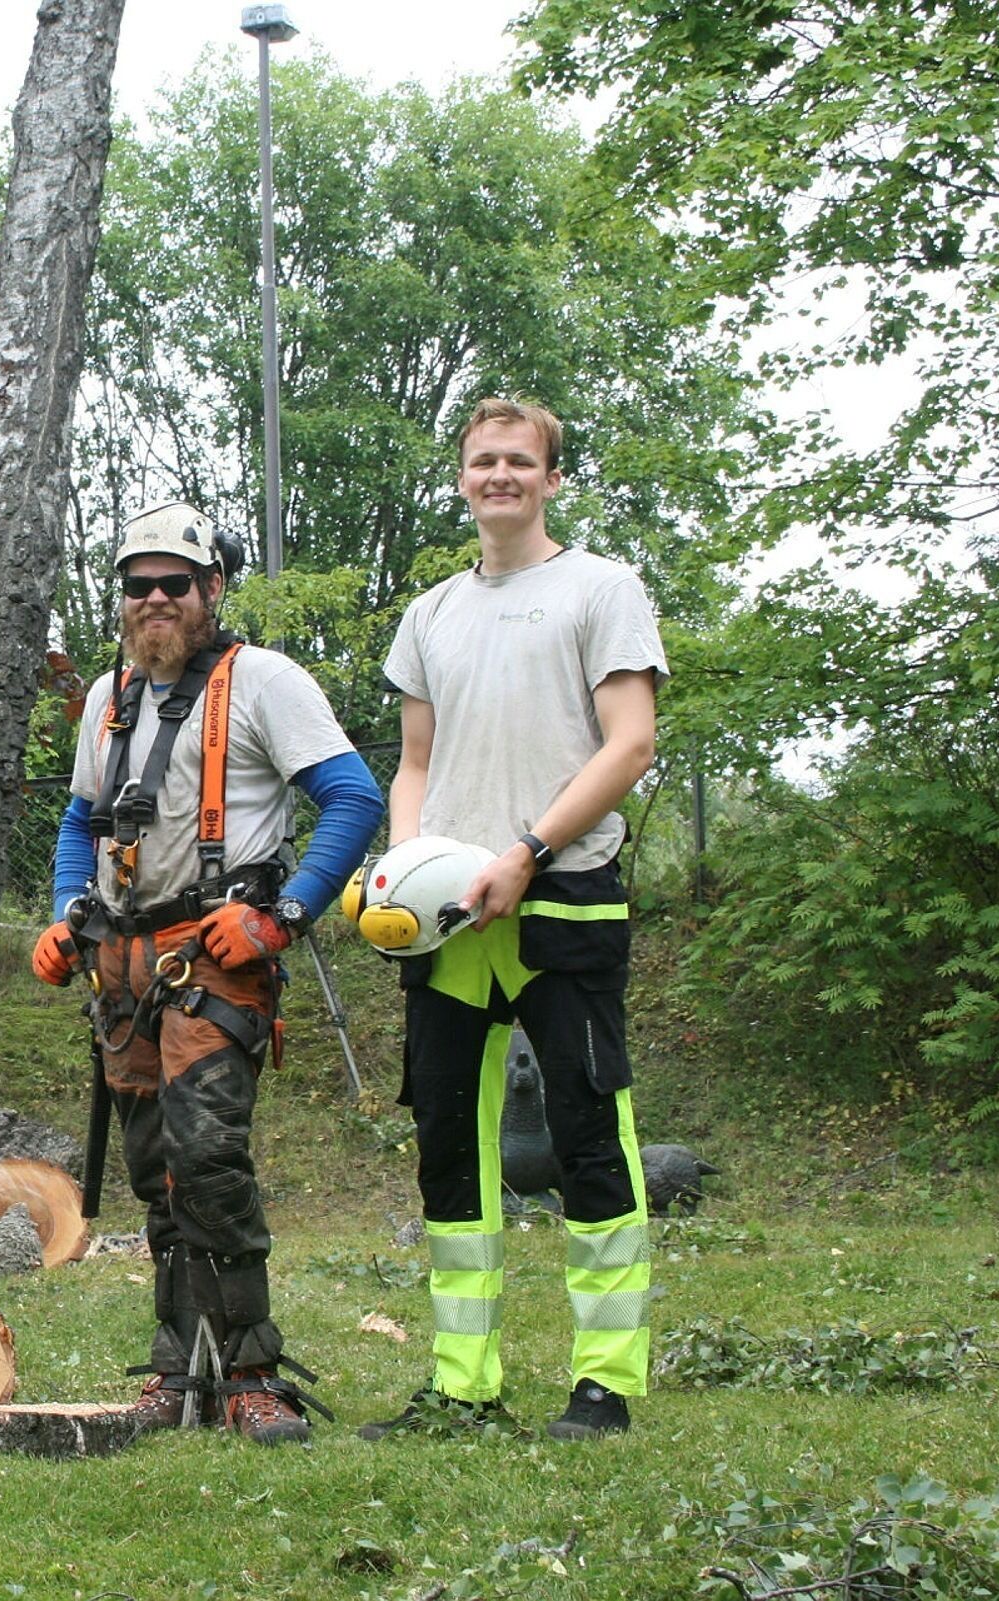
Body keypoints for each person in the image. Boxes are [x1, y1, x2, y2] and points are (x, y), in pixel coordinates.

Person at [33, 502, 384, 1444]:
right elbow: (83, 819)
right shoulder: (111, 698)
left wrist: (281, 915)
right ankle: (176, 1369)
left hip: (214, 962)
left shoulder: (265, 680)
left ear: (212, 589)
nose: (155, 600)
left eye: (175, 583)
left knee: (210, 1159)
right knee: (158, 1177)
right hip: (122, 967)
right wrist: (70, 913)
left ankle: (255, 1373)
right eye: (137, 585)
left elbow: (352, 797)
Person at [360, 397, 667, 1443]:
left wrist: (524, 853)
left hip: (564, 897)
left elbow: (628, 744)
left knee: (590, 1137)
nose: (500, 475)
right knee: (450, 1146)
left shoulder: (602, 589)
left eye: (519, 461)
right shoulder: (431, 612)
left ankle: (605, 1384)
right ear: (461, 478)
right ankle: (461, 1385)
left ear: (551, 478)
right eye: (483, 460)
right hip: (449, 920)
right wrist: (403, 870)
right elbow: (413, 764)